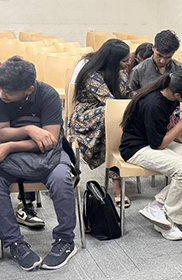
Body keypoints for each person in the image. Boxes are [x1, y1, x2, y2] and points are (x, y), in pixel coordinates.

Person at [0, 56, 77, 270]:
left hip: (48, 154)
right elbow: (1, 133)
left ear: (28, 89)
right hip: (12, 154)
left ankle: (65, 240)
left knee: (61, 178)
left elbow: (49, 142)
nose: (0, 94)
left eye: (7, 93)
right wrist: (29, 130)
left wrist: (10, 145)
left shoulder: (48, 95)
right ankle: (14, 242)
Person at [120, 68, 182, 241]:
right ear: (177, 95)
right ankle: (168, 219)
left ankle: (158, 205)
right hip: (137, 148)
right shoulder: (154, 103)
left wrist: (178, 136)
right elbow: (158, 144)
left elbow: (170, 123)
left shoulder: (170, 95)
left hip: (157, 141)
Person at [0, 38, 43, 228]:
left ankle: (25, 205)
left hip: (4, 125)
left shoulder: (10, 77)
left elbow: (20, 111)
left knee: (19, 154)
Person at [69, 39, 133, 208]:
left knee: (117, 118)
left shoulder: (122, 72)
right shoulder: (92, 74)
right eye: (124, 60)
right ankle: (118, 184)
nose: (128, 63)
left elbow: (127, 95)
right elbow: (110, 102)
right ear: (112, 61)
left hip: (112, 114)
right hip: (86, 117)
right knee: (113, 118)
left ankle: (120, 173)